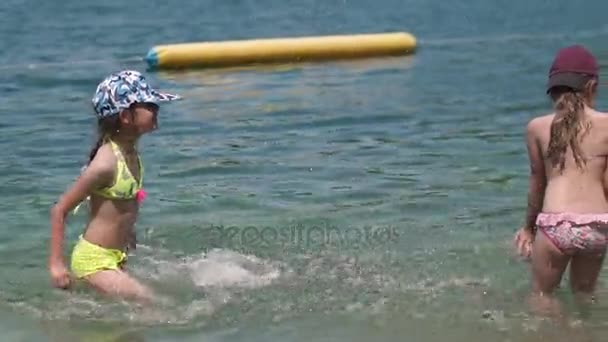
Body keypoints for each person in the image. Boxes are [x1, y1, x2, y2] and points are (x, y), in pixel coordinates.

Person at [48, 70, 180, 303]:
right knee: (153, 304)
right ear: (126, 116)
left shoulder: (130, 153)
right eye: (149, 105)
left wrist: (128, 231)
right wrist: (57, 265)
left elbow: (123, 201)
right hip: (93, 261)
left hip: (115, 256)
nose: (157, 109)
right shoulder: (105, 163)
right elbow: (60, 209)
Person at [513, 45, 608, 316]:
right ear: (592, 86)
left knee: (541, 296)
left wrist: (529, 228)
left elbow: (537, 183)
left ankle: (566, 335)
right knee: (584, 295)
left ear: (553, 90)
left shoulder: (537, 127)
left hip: (556, 225)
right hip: (598, 226)